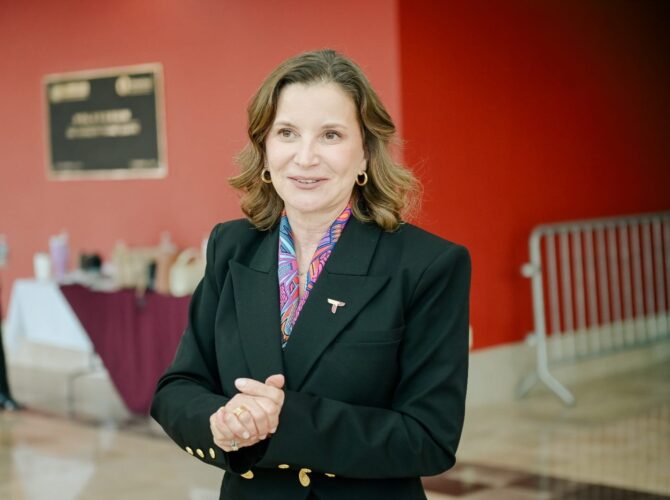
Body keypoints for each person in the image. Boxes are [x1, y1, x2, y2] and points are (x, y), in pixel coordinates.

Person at [151, 49, 471, 500]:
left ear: (365, 154)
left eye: (330, 135)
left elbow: (429, 438)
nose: (305, 157)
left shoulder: (427, 265)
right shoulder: (231, 247)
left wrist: (284, 420)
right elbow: (178, 388)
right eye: (287, 133)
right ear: (265, 150)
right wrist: (219, 423)